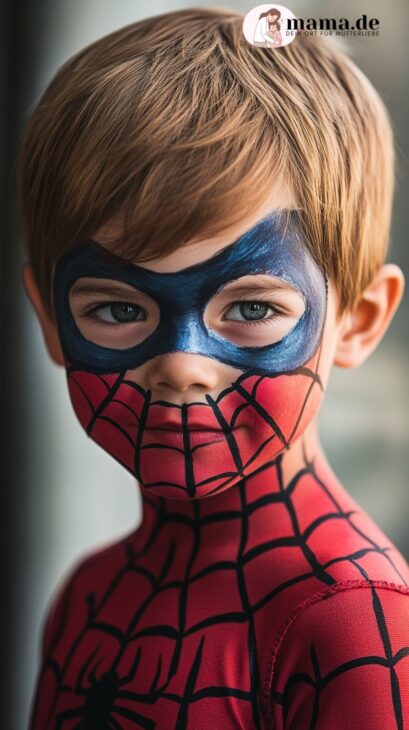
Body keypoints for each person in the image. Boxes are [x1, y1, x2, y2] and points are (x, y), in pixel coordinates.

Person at [19, 7, 409, 729]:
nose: (181, 367)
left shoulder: (355, 619)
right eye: (117, 310)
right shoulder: (87, 594)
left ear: (356, 320)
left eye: (253, 311)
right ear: (49, 319)